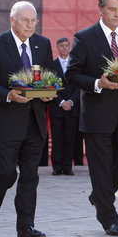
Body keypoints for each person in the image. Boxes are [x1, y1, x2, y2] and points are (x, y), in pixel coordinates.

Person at [65, 0, 118, 236]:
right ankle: (109, 218)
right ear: (100, 8)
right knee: (100, 168)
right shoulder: (84, 37)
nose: (116, 15)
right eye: (111, 9)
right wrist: (98, 83)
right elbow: (72, 74)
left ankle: (100, 195)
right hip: (98, 112)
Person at [0, 1, 54, 237]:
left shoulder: (43, 44)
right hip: (7, 122)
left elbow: (51, 77)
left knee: (30, 176)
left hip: (35, 122)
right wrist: (7, 95)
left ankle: (25, 227)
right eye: (25, 20)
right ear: (12, 20)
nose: (30, 25)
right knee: (6, 173)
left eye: (33, 21)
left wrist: (51, 91)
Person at [49, 37, 80, 176]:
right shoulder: (51, 65)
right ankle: (57, 167)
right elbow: (50, 85)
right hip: (57, 107)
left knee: (70, 137)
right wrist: (61, 102)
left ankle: (67, 167)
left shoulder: (75, 64)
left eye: (66, 45)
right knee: (57, 138)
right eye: (61, 45)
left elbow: (79, 85)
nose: (64, 48)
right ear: (57, 47)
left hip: (72, 107)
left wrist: (71, 101)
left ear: (70, 47)